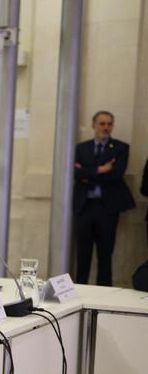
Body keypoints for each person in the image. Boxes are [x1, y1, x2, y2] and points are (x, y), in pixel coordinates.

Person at [73, 111, 135, 285]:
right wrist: (100, 170)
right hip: (84, 206)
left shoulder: (121, 148)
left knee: (105, 253)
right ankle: (81, 289)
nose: (105, 128)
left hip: (107, 208)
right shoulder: (81, 148)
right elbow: (75, 173)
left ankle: (104, 291)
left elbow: (116, 174)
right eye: (102, 124)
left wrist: (87, 173)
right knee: (82, 253)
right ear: (94, 126)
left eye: (109, 124)